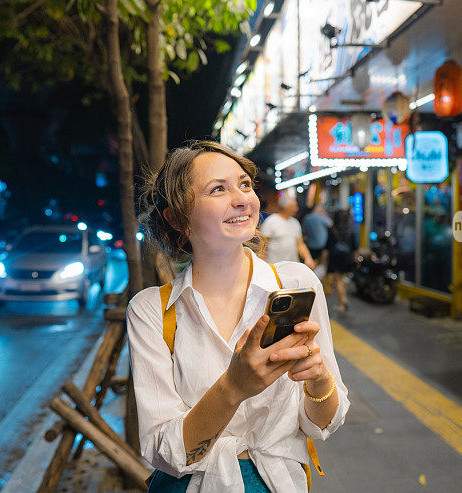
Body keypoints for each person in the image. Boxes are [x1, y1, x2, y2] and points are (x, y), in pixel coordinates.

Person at [128, 141, 349, 492]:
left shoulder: (295, 283)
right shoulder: (153, 310)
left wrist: (319, 380)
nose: (242, 198)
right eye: (218, 189)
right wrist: (234, 387)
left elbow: (324, 423)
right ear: (177, 217)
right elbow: (164, 451)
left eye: (244, 184)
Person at [260, 194, 316, 269]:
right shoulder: (271, 221)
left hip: (292, 266)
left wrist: (308, 258)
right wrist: (262, 265)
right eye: (294, 206)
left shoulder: (295, 222)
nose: (297, 209)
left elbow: (300, 244)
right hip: (274, 266)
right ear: (285, 207)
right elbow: (263, 245)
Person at [325, 209, 357, 312]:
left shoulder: (332, 229)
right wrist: (355, 258)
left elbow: (327, 246)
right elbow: (355, 247)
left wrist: (324, 260)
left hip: (335, 257)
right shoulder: (350, 229)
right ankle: (344, 298)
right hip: (347, 257)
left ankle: (342, 302)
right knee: (343, 279)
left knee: (337, 279)